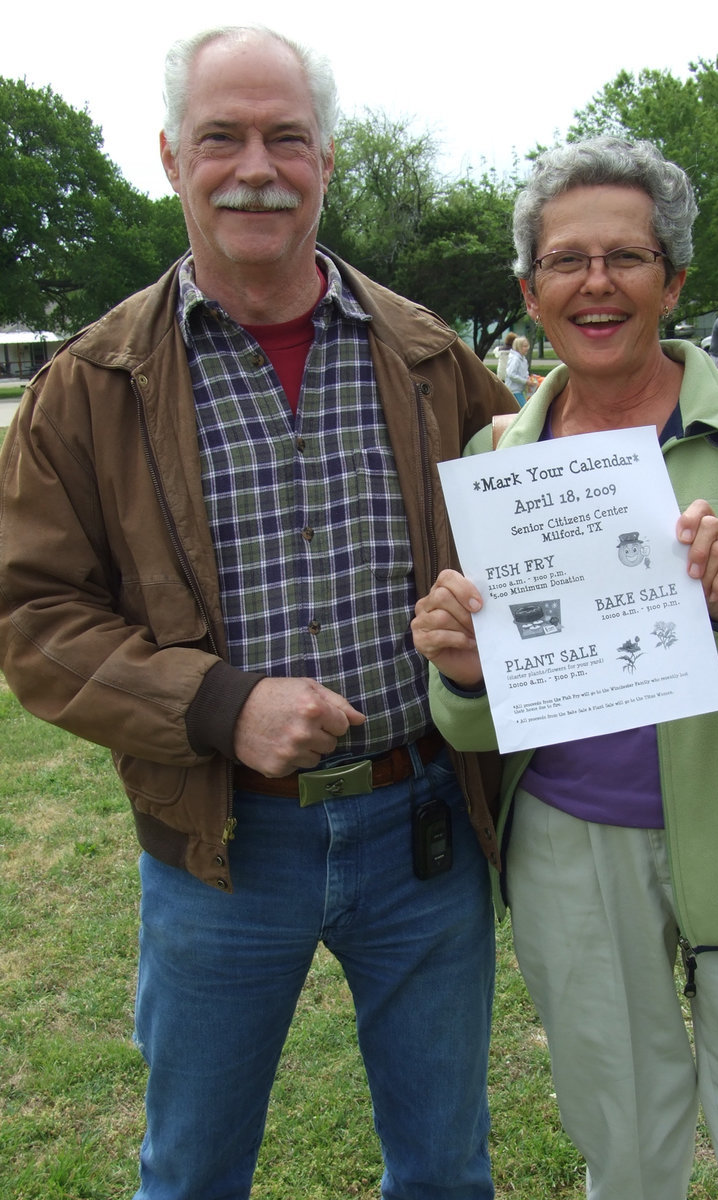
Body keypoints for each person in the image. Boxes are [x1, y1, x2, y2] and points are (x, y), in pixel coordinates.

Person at [0, 25, 517, 1200]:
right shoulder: (89, 385)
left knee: (446, 1172)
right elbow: (31, 614)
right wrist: (220, 704)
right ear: (172, 156)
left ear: (326, 159)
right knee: (190, 1175)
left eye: (287, 137)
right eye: (223, 137)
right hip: (220, 849)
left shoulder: (432, 356)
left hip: (423, 826)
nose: (257, 167)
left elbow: (537, 522)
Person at [411, 136, 718, 1200]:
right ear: (530, 290)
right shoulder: (502, 463)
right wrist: (463, 672)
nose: (596, 283)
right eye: (566, 260)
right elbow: (481, 722)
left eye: (627, 257)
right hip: (573, 859)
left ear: (673, 280)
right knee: (622, 1146)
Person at [503, 335, 530, 405]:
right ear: (518, 347)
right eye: (525, 346)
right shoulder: (515, 359)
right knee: (524, 409)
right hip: (513, 391)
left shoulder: (523, 359)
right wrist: (525, 381)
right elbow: (511, 374)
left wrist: (529, 379)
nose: (527, 348)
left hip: (519, 390)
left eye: (527, 346)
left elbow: (525, 372)